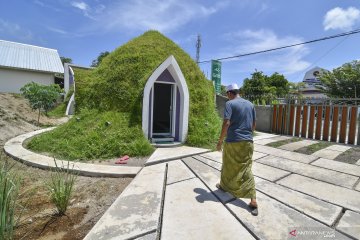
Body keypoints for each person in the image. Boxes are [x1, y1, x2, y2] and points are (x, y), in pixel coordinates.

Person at [216, 83, 258, 216]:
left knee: (228, 164)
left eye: (227, 94)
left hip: (233, 141)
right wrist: (247, 135)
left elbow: (226, 123)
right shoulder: (250, 104)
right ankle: (253, 200)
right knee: (246, 168)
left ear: (229, 93)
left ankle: (224, 186)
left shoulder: (230, 104)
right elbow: (253, 124)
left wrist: (220, 141)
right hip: (248, 141)